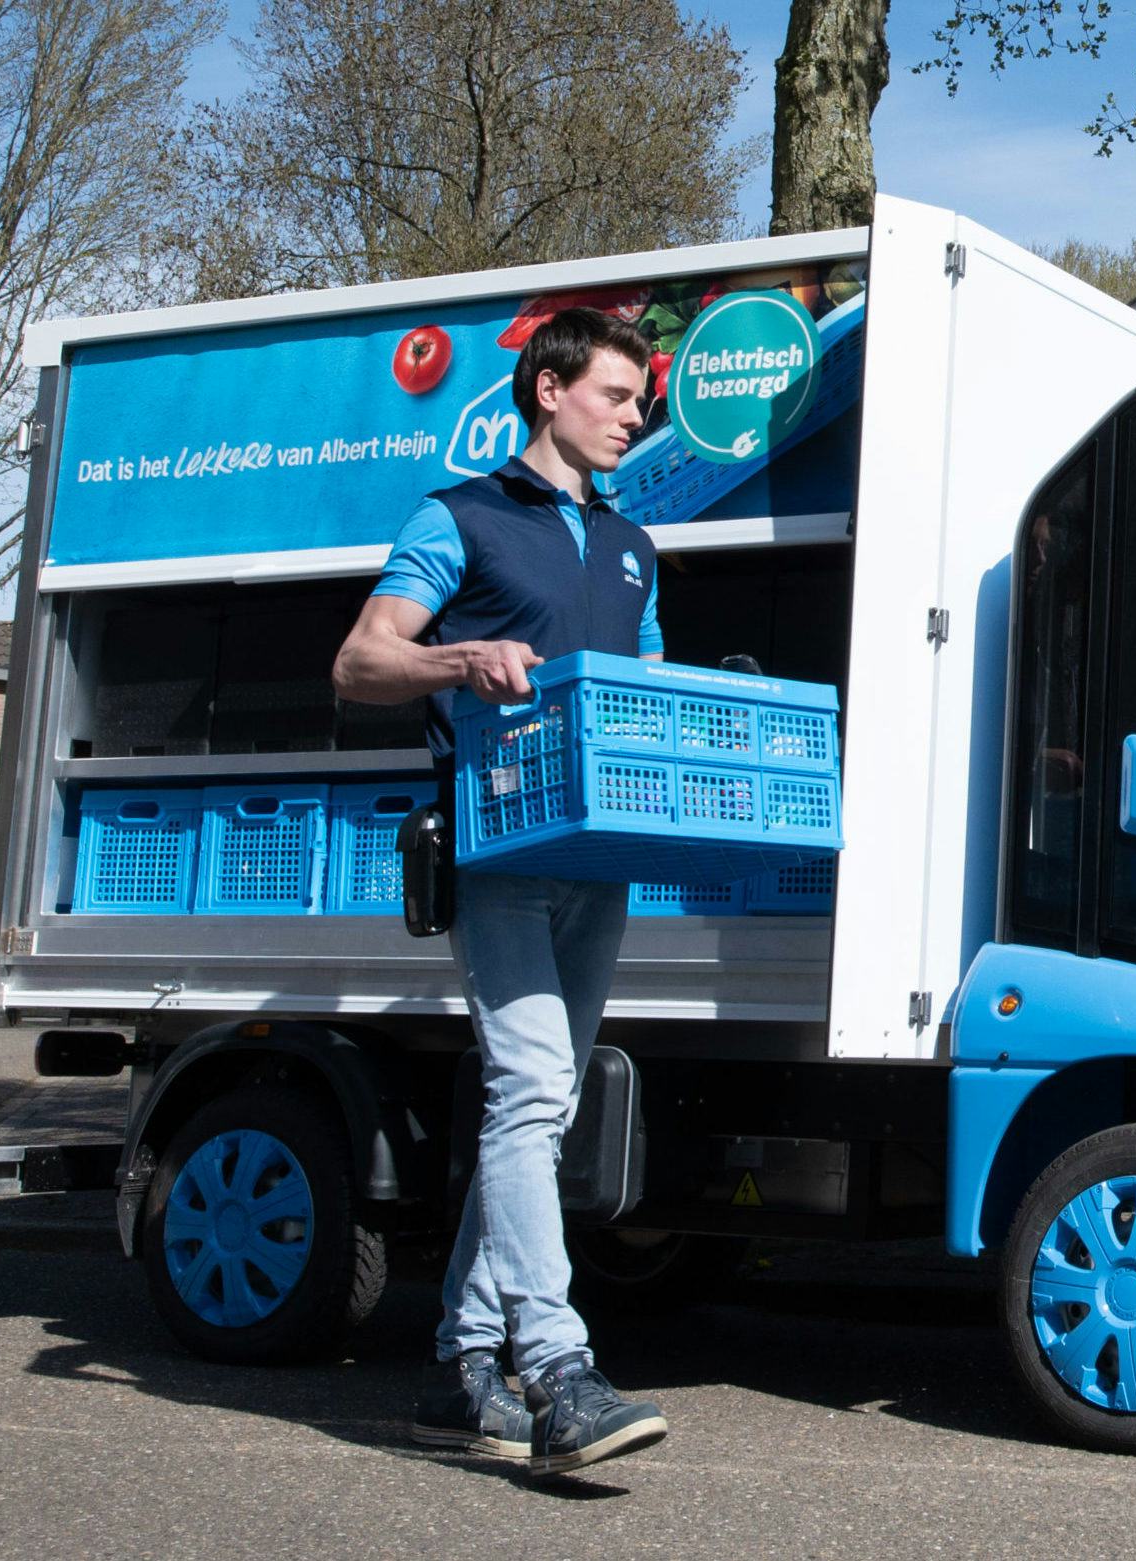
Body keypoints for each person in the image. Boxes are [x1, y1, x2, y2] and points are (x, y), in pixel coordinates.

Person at [331, 308, 669, 1475]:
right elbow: (360, 658)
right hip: (499, 852)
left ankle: (461, 1364)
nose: (633, 417)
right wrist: (457, 658)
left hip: (599, 865)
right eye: (615, 395)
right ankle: (557, 1368)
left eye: (639, 400)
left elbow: (641, 690)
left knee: (541, 1109)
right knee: (528, 1094)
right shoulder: (460, 517)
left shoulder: (632, 546)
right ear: (547, 390)